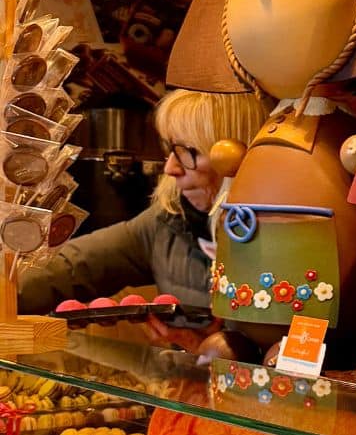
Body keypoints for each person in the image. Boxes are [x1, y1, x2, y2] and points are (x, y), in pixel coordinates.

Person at [19, 88, 267, 314]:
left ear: (238, 157)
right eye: (170, 149)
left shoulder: (286, 237)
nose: (171, 168)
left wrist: (215, 344)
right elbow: (71, 267)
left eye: (188, 152)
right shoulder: (167, 221)